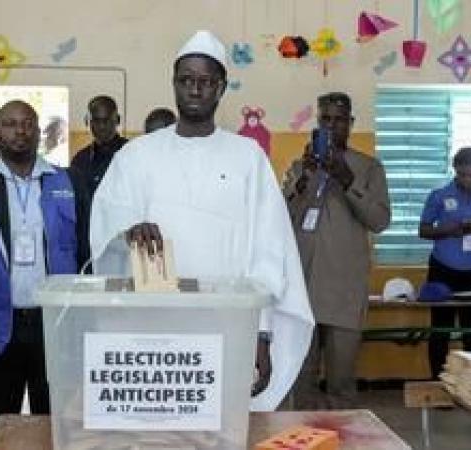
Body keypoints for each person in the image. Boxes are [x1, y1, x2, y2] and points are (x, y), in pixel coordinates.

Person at [90, 30, 314, 411]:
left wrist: (263, 334)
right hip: (153, 332)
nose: (195, 89)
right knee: (158, 426)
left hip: (228, 328)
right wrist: (128, 230)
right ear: (174, 84)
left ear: (221, 87)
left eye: (206, 81)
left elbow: (268, 250)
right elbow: (107, 219)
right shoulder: (137, 155)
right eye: (186, 80)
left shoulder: (248, 158)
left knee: (221, 424)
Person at [0, 100, 90, 448]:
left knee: (57, 422)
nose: (20, 131)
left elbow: (87, 249)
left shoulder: (68, 180)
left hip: (55, 325)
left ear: (38, 130)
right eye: (10, 124)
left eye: (27, 123)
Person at [283, 92, 390, 409]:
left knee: (341, 383)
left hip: (344, 289)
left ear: (351, 124)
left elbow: (380, 220)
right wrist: (302, 180)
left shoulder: (368, 168)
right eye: (325, 120)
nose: (331, 126)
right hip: (304, 288)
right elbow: (280, 218)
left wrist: (346, 179)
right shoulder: (301, 167)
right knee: (301, 379)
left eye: (339, 120)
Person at [419, 146, 471, 379]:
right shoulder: (439, 195)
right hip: (443, 271)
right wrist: (446, 230)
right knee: (441, 331)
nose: (468, 179)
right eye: (464, 174)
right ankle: (438, 385)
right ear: (455, 169)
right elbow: (423, 230)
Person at [70, 95, 128, 198]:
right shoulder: (80, 160)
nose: (102, 126)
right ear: (88, 122)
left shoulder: (132, 153)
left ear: (117, 120)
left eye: (107, 121)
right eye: (96, 121)